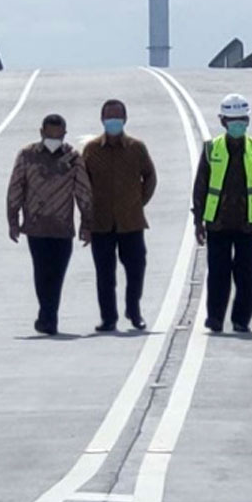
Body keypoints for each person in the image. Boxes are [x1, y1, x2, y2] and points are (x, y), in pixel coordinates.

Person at [191, 93, 252, 333]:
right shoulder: (212, 149)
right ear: (223, 121)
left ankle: (241, 320)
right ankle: (215, 318)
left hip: (247, 223)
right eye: (233, 120)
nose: (238, 124)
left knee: (246, 276)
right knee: (218, 274)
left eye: (242, 120)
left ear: (248, 121)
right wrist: (198, 221)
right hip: (217, 224)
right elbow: (200, 186)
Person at [7, 113, 94, 335]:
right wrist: (13, 219)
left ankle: (47, 316)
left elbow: (83, 191)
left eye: (58, 134)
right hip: (36, 226)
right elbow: (16, 186)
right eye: (50, 134)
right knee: (41, 271)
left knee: (57, 274)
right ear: (42, 133)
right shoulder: (27, 156)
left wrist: (87, 223)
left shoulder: (73, 158)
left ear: (64, 134)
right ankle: (48, 316)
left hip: (62, 227)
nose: (54, 138)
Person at [82, 99, 157, 332]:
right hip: (101, 223)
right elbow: (84, 185)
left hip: (131, 222)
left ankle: (133, 311)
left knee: (136, 269)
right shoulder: (91, 150)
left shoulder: (136, 148)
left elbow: (150, 177)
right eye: (108, 117)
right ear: (102, 120)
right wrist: (86, 218)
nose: (113, 121)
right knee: (105, 275)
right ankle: (108, 318)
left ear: (125, 119)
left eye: (117, 117)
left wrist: (138, 202)